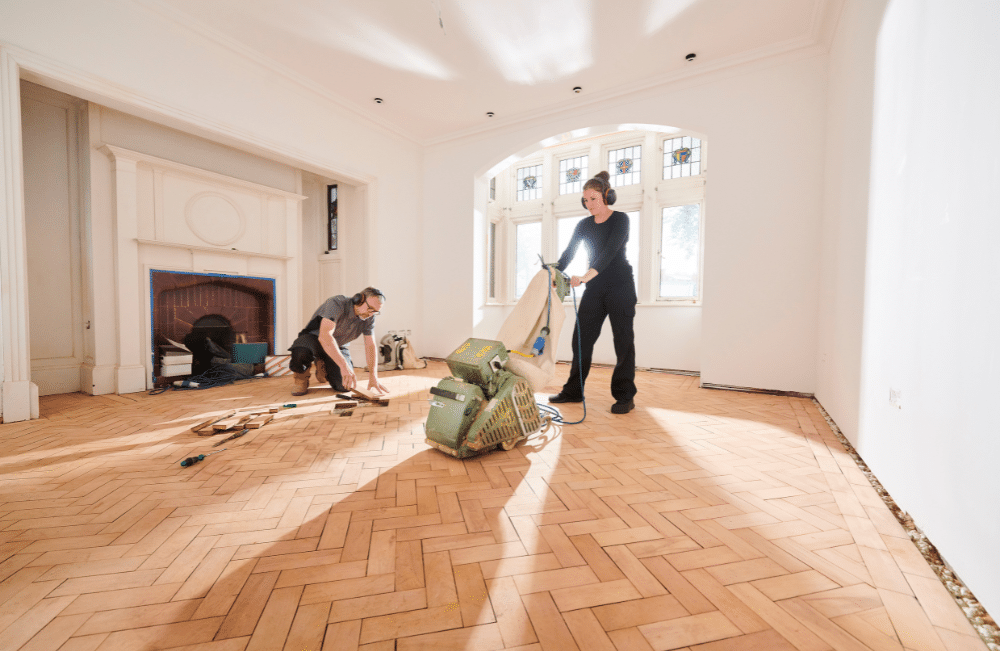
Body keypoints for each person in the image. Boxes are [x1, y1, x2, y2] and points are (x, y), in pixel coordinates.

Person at [549, 171, 637, 414]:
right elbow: (568, 254)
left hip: (620, 286)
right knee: (581, 339)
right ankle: (574, 391)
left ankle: (625, 396)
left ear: (607, 196)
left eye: (593, 198)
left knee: (623, 342)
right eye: (585, 200)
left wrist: (585, 276)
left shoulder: (621, 220)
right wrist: (550, 273)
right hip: (596, 290)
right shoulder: (583, 225)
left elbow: (609, 253)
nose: (588, 204)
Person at [288, 287, 389, 397]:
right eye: (370, 309)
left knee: (344, 385)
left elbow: (370, 345)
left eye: (375, 312)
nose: (371, 314)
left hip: (338, 346)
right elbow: (325, 336)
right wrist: (344, 366)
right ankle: (300, 378)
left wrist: (373, 377)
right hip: (314, 339)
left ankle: (323, 365)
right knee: (301, 350)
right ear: (359, 299)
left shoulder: (369, 317)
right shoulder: (337, 303)